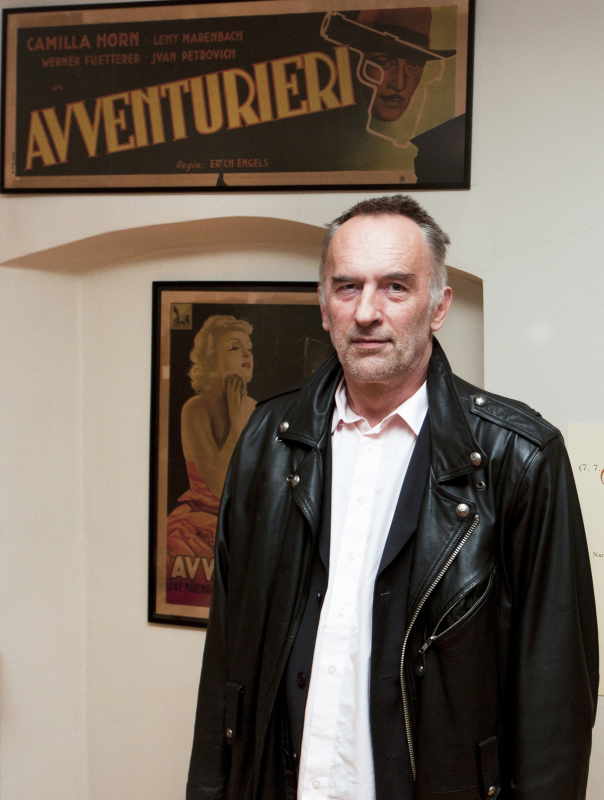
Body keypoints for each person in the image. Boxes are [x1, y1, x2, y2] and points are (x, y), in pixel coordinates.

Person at [186, 196, 598, 800]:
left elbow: (554, 701)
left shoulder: (520, 457)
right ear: (323, 305)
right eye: (347, 287)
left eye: (396, 287)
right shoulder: (268, 440)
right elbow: (226, 660)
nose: (366, 312)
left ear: (439, 307)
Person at [166, 315, 255, 606]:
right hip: (195, 528)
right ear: (211, 359)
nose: (246, 354)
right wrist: (237, 426)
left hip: (244, 523)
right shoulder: (195, 409)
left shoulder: (257, 408)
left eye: (249, 347)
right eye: (234, 347)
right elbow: (218, 484)